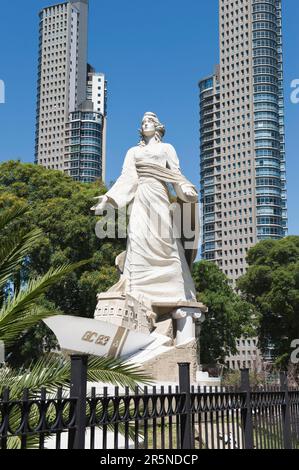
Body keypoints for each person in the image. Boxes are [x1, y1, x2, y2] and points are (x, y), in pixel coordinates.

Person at [92, 112, 199, 307]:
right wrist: (109, 198)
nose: (146, 124)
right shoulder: (133, 152)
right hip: (141, 198)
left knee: (164, 239)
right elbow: (128, 177)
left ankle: (174, 288)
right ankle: (136, 288)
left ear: (158, 126)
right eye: (143, 122)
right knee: (138, 237)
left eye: (150, 121)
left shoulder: (167, 148)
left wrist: (185, 190)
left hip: (159, 196)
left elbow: (176, 175)